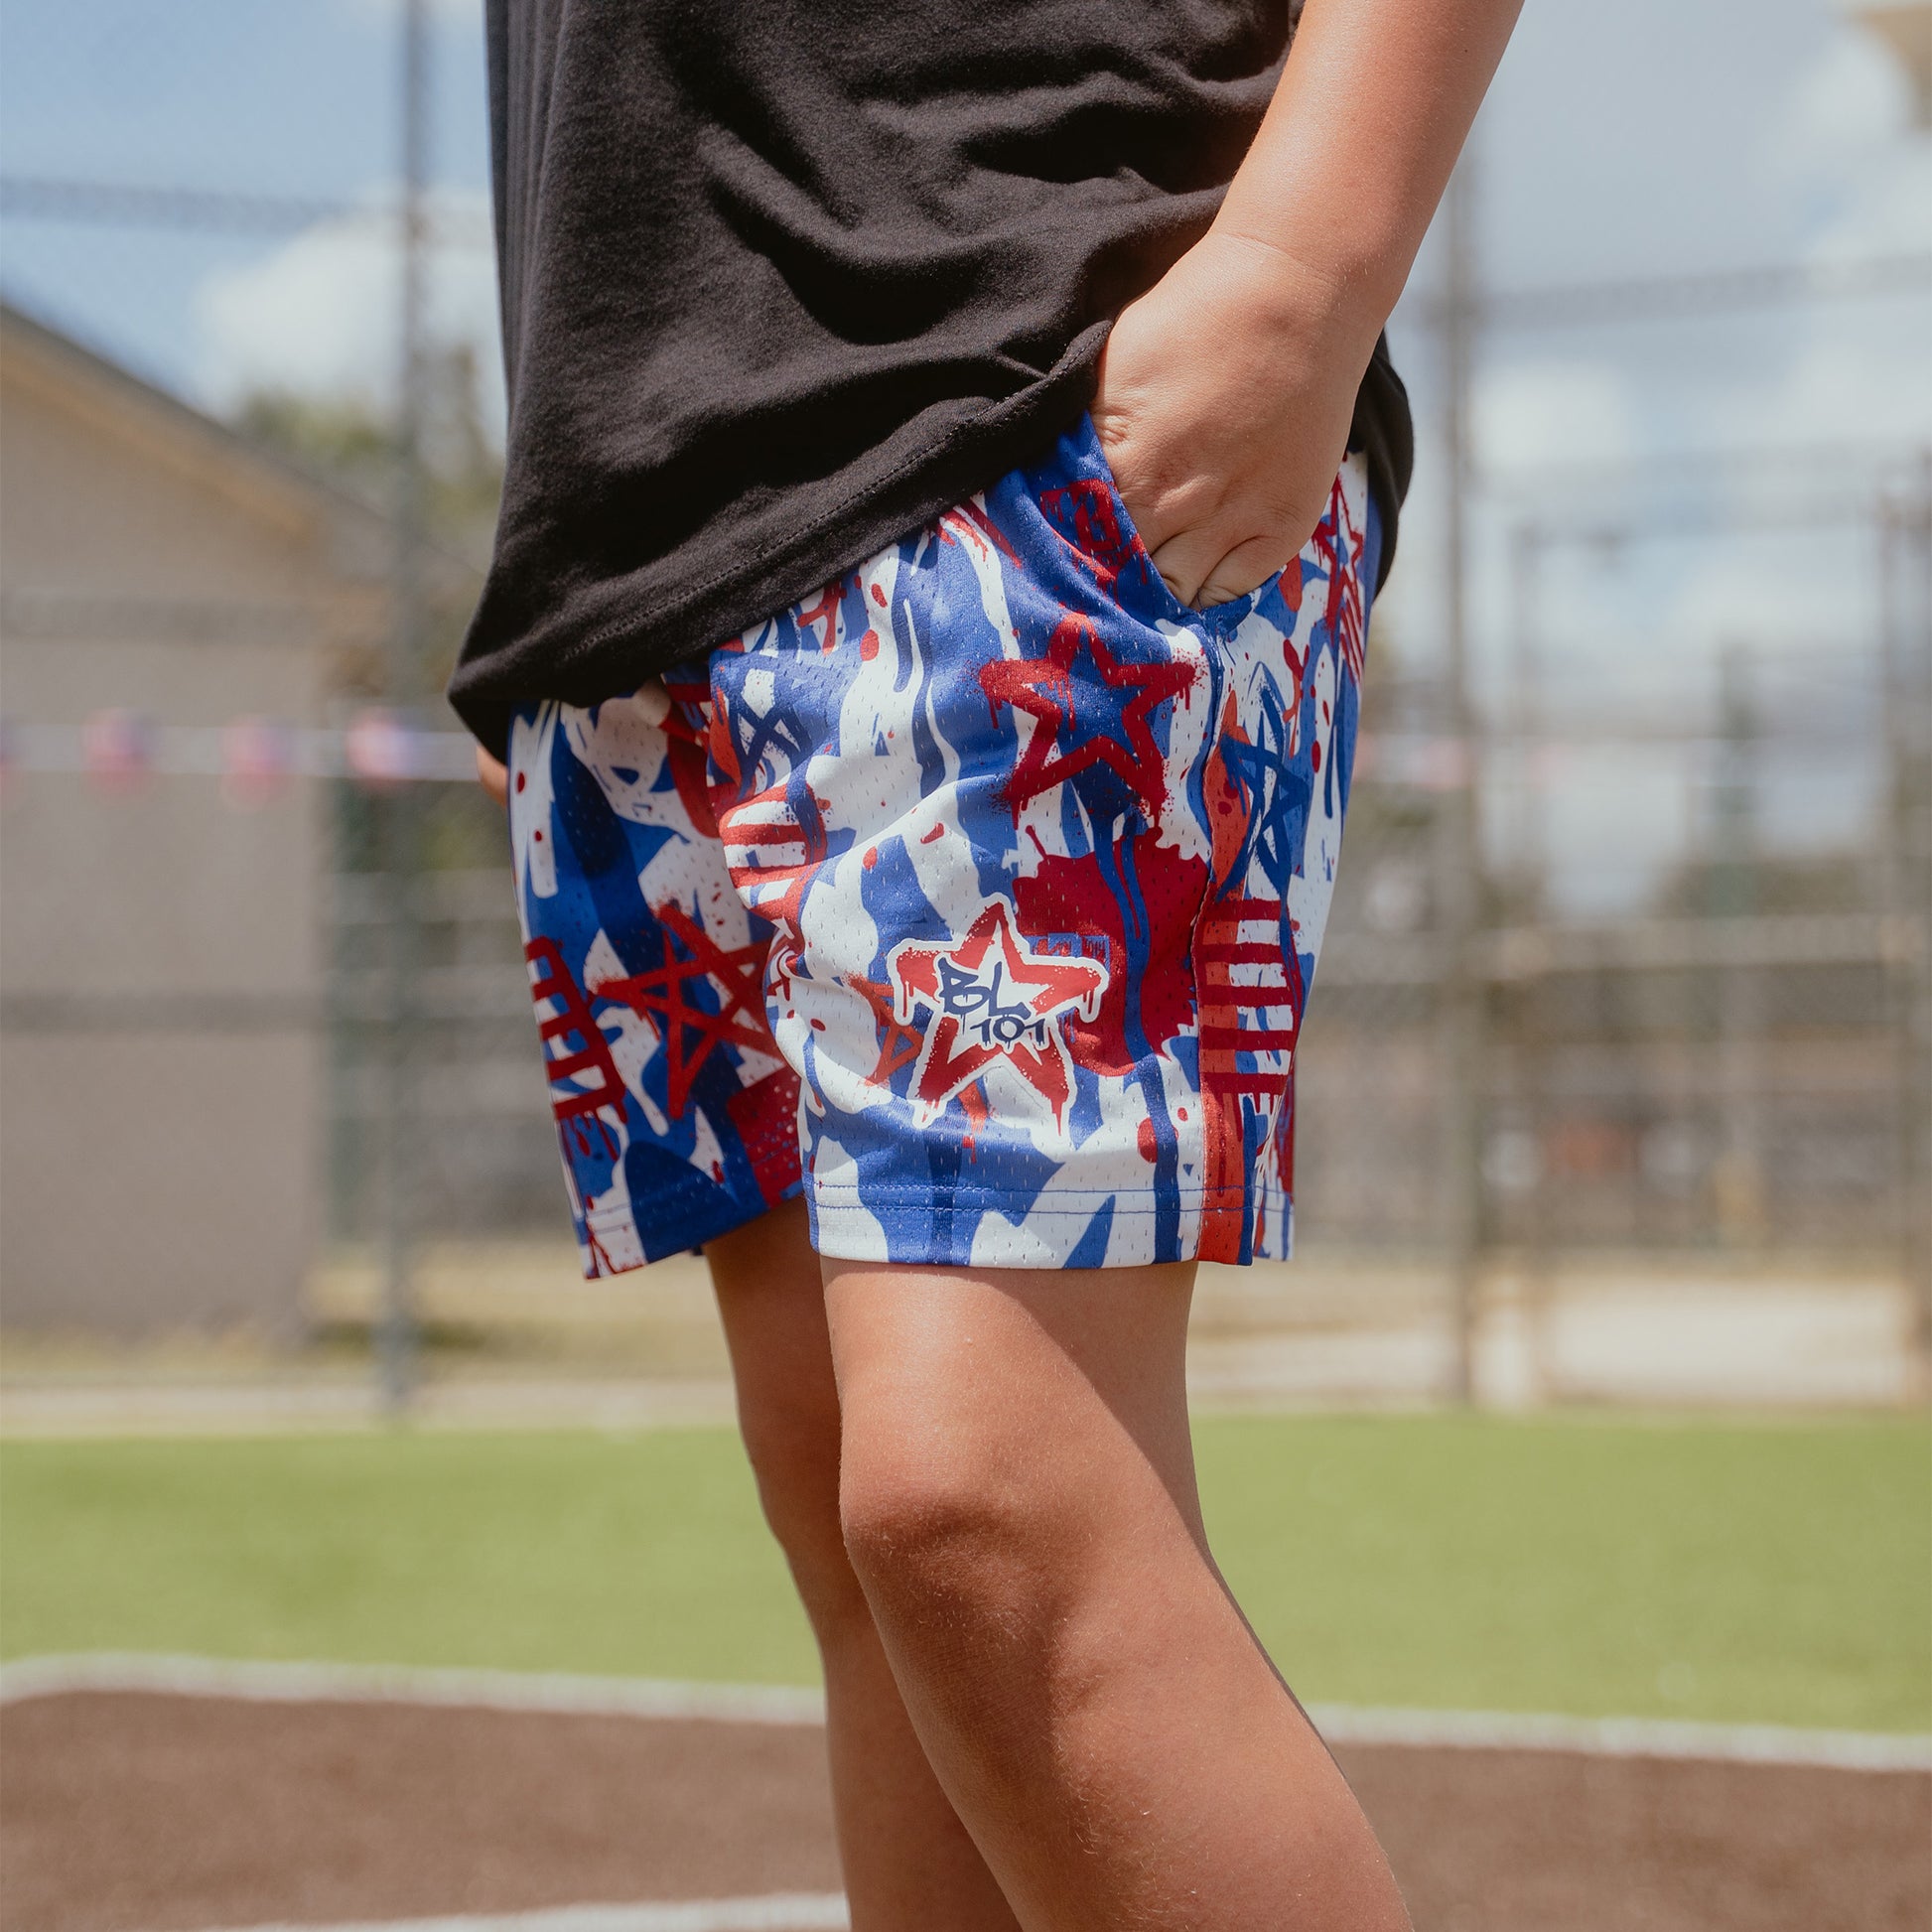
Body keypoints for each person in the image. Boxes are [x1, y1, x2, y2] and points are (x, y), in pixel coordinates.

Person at [457, 0, 1520, 1920]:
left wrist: (1303, 266)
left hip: (1026, 370)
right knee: (862, 1539)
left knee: (978, 1508)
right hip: (648, 520)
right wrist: (561, 539)